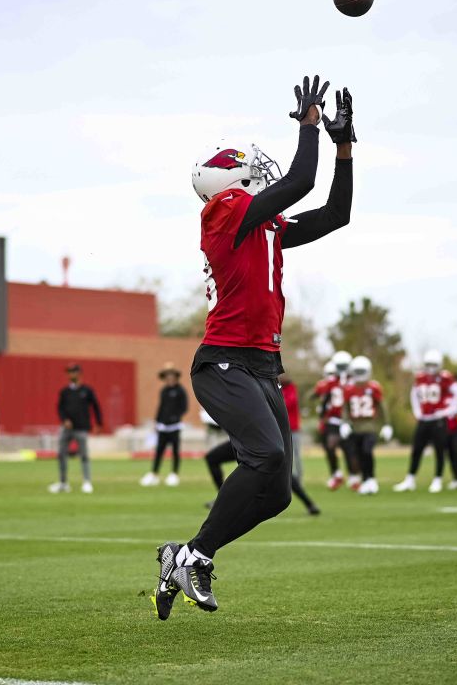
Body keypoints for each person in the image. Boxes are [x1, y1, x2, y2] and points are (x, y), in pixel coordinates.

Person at [151, 75, 355, 620]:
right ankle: (193, 557)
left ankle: (187, 555)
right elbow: (300, 181)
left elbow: (336, 214)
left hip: (262, 365)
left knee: (278, 490)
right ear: (228, 179)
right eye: (249, 169)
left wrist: (344, 147)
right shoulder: (222, 215)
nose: (261, 175)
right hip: (222, 361)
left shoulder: (261, 226)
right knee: (264, 457)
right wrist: (310, 128)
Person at [202, 409, 319, 514]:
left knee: (280, 470)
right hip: (243, 441)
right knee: (212, 458)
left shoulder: (252, 394)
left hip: (259, 442)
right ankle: (225, 501)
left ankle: (309, 503)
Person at [394, 350, 457, 493]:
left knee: (439, 450)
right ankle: (410, 479)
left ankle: (437, 479)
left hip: (439, 420)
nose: (431, 368)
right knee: (416, 449)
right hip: (424, 419)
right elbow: (414, 395)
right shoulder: (420, 377)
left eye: (433, 365)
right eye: (428, 364)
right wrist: (417, 412)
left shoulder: (446, 378)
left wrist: (448, 410)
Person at [340, 356, 391, 495]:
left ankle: (371, 479)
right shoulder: (349, 388)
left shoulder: (374, 387)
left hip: (370, 426)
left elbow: (382, 406)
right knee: (359, 455)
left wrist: (387, 425)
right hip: (355, 427)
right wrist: (344, 423)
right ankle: (366, 480)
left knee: (367, 451)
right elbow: (345, 407)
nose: (360, 374)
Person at [51, 363, 102, 494]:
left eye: (73, 372)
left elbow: (96, 406)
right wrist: (64, 420)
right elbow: (60, 408)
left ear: (79, 373)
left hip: (81, 427)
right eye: (69, 372)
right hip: (67, 428)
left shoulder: (87, 390)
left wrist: (98, 423)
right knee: (62, 454)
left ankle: (87, 482)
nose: (71, 374)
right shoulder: (65, 392)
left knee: (84, 455)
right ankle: (63, 483)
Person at [313, 351, 359, 490]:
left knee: (349, 450)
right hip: (333, 419)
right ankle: (336, 474)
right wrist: (321, 413)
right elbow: (320, 396)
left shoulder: (355, 381)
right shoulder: (330, 382)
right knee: (330, 446)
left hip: (348, 420)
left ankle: (353, 477)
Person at [142, 363, 189, 487]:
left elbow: (184, 407)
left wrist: (175, 417)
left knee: (175, 451)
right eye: (167, 375)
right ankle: (154, 474)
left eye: (171, 375)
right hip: (162, 426)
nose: (169, 378)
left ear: (175, 376)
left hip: (174, 426)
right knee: (159, 451)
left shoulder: (180, 391)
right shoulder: (163, 391)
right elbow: (161, 407)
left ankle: (174, 474)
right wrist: (157, 421)